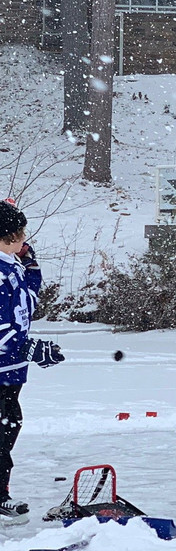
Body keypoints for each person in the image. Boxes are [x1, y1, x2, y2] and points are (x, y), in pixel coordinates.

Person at [0, 200, 65, 522]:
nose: (25, 239)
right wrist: (26, 348)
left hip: (9, 372)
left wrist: (32, 267)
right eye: (19, 234)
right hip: (4, 366)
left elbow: (27, 299)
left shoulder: (11, 266)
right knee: (1, 433)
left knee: (8, 428)